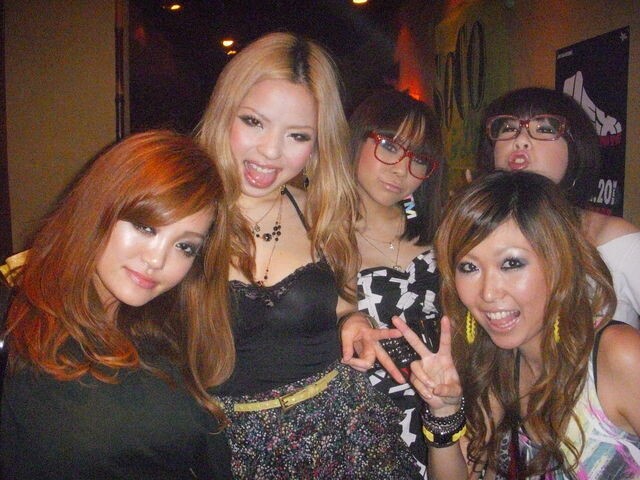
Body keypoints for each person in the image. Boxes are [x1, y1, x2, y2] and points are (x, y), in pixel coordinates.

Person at [197, 32, 420, 478]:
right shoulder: (180, 212)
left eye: (297, 135)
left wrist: (353, 321)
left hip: (342, 430)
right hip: (227, 444)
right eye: (253, 122)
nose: (270, 151)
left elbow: (343, 301)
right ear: (224, 112)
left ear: (318, 144)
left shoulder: (322, 211)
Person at [0, 130, 235, 479]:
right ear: (99, 208)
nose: (157, 260)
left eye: (185, 246)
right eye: (145, 227)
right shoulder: (19, 320)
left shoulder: (168, 326)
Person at [395, 170, 640, 479]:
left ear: (557, 262)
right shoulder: (500, 363)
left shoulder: (618, 355)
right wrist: (443, 412)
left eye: (511, 264)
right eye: (469, 267)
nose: (488, 292)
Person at [476, 87, 640, 328]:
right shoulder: (480, 234)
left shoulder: (616, 241)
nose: (520, 140)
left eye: (544, 129)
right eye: (508, 128)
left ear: (575, 148)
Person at [348, 88, 445, 477]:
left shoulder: (444, 235)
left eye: (418, 159)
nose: (401, 170)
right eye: (389, 146)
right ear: (357, 139)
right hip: (359, 429)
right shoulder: (318, 239)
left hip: (445, 413)